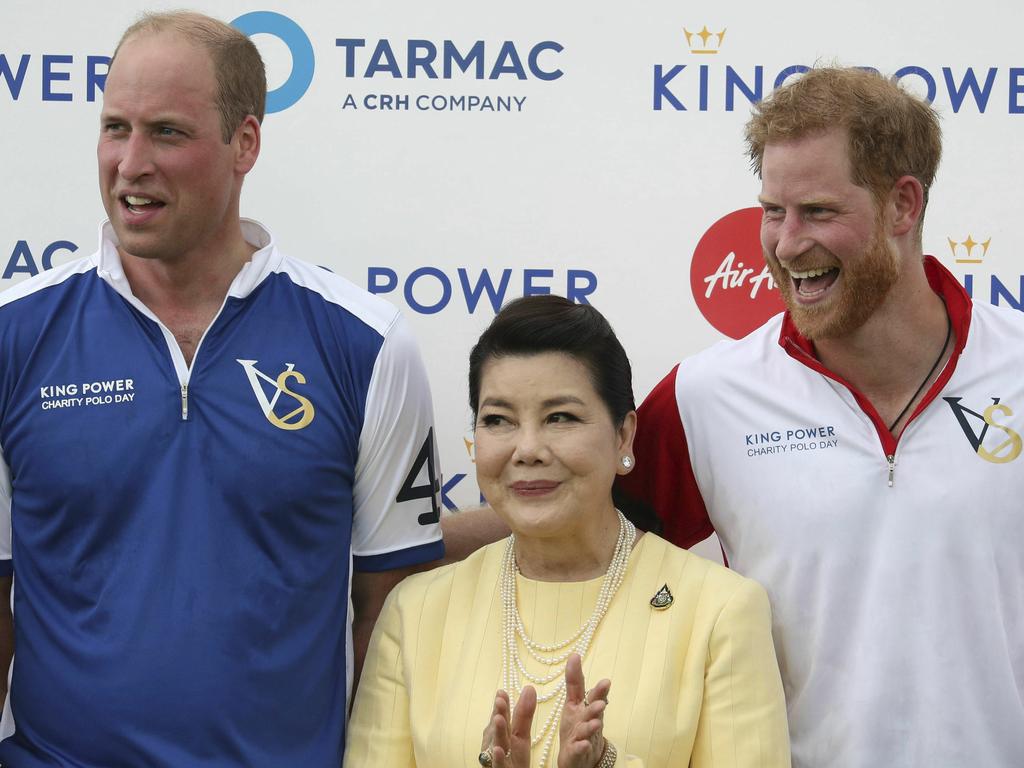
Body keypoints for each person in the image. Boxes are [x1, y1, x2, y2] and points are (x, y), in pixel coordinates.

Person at [0, 11, 467, 766]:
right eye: (114, 127)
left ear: (245, 142)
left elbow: (392, 621)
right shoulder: (14, 338)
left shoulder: (365, 345)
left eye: (168, 133)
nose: (130, 163)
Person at [617, 66, 1024, 767]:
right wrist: (390, 546)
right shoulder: (706, 397)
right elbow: (565, 520)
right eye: (773, 210)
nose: (784, 243)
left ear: (903, 205)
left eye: (819, 212)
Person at [344, 295, 790, 768]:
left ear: (624, 436)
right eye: (498, 420)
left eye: (561, 417)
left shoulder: (719, 611)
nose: (528, 448)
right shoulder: (414, 613)